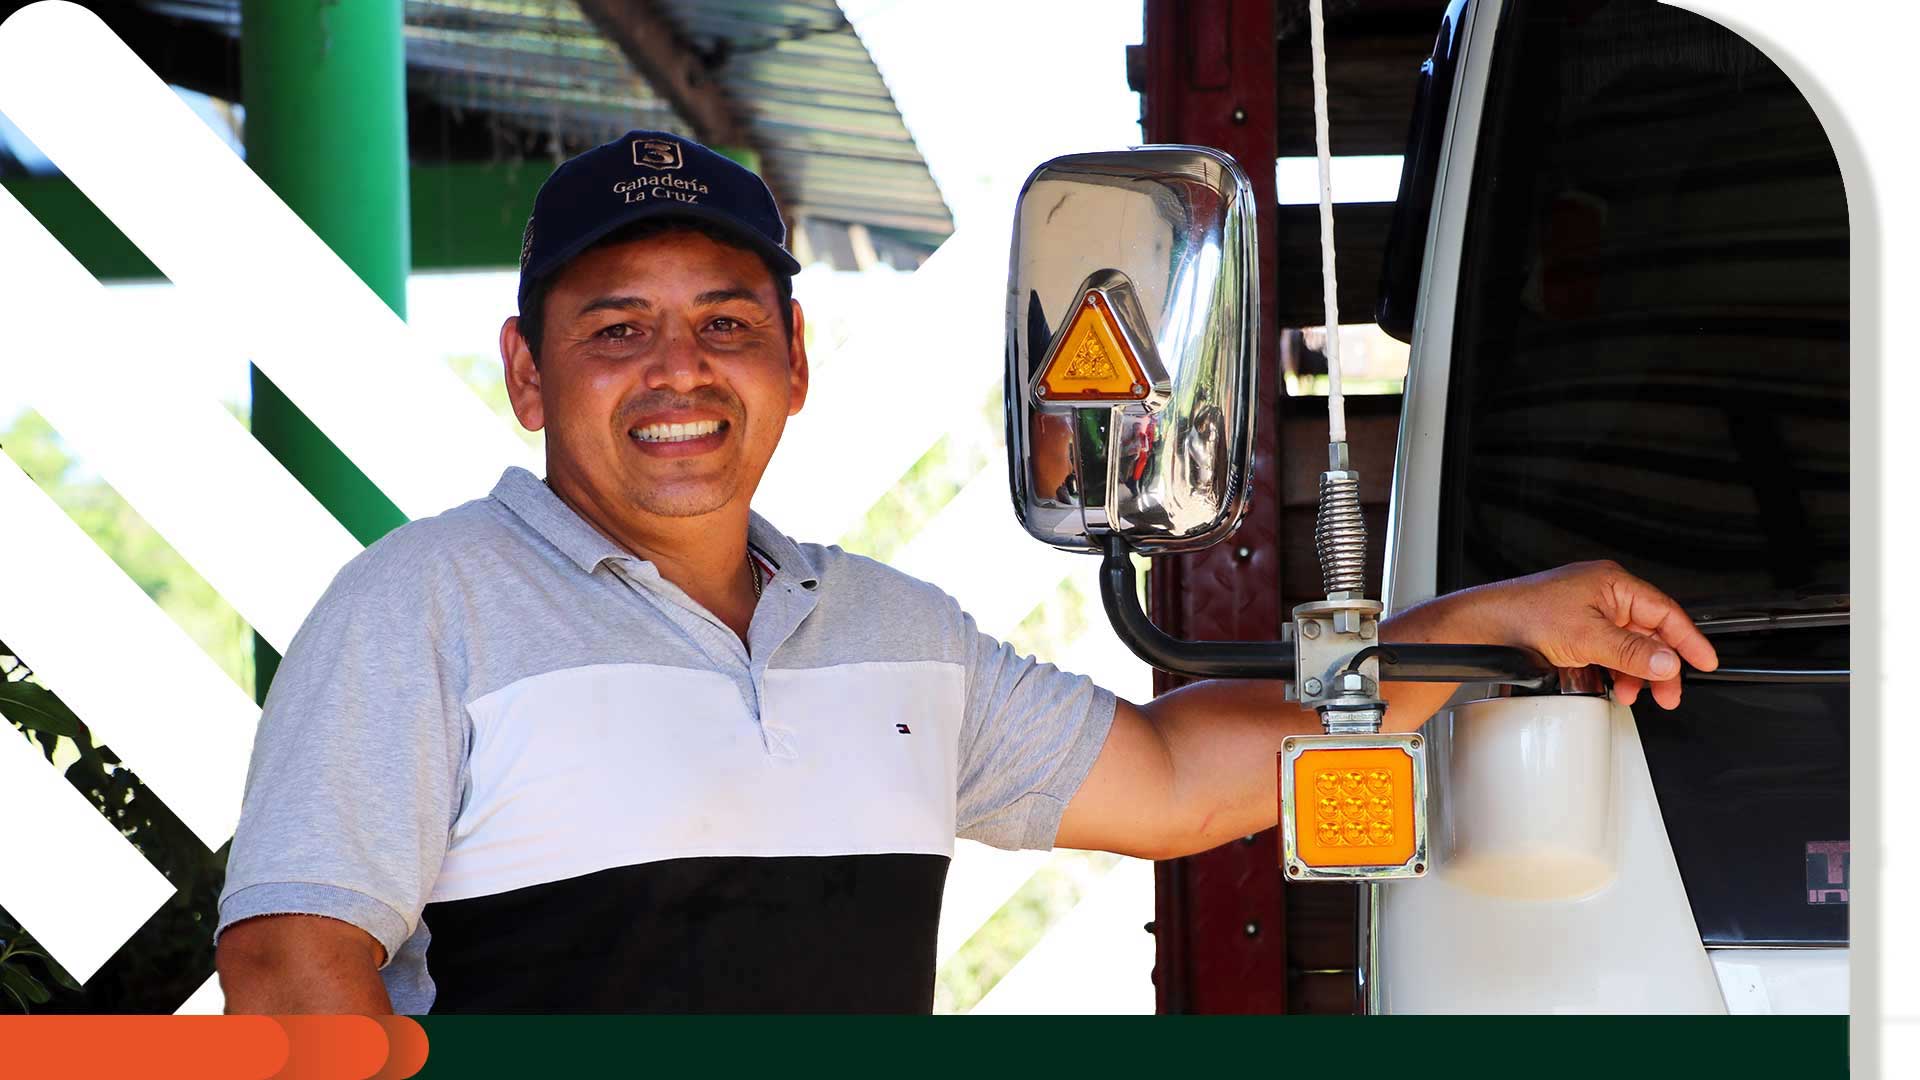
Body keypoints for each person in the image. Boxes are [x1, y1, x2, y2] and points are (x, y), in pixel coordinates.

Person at [213, 130, 1719, 1014]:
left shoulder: (889, 631)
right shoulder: (420, 607)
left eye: (727, 322)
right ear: (528, 376)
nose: (679, 369)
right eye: (616, 328)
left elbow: (1180, 777)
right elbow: (294, 968)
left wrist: (1467, 635)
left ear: (794, 363)